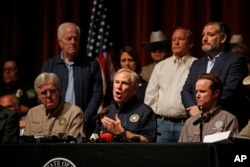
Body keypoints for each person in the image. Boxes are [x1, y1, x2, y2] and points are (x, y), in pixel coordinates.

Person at [181, 21, 248, 130]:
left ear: (222, 39)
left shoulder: (235, 61)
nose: (204, 39)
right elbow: (186, 90)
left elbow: (231, 90)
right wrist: (193, 108)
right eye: (203, 35)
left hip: (222, 121)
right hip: (197, 121)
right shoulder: (197, 64)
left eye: (210, 35)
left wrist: (205, 107)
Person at [41, 22, 103, 138]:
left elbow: (97, 95)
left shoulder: (91, 64)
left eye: (76, 39)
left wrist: (83, 118)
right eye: (69, 39)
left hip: (84, 124)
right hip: (54, 123)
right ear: (60, 42)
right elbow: (41, 95)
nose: (73, 42)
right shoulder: (49, 66)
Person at [144, 27, 197, 142]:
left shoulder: (196, 64)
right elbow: (150, 97)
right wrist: (153, 121)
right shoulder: (161, 66)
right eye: (174, 40)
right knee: (160, 158)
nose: (176, 43)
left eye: (181, 39)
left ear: (190, 44)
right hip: (162, 124)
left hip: (186, 123)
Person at [92, 68, 156, 142]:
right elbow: (94, 136)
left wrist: (122, 133)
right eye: (116, 82)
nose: (119, 87)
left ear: (135, 89)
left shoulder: (145, 112)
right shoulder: (106, 111)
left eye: (124, 83)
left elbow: (148, 141)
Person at [179, 73, 238, 142]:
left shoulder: (228, 120)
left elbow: (231, 149)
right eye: (196, 91)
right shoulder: (190, 122)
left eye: (202, 91)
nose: (197, 95)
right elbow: (181, 150)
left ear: (216, 93)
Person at [23, 72, 84, 137]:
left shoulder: (74, 113)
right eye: (44, 93)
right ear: (38, 96)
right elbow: (26, 144)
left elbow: (74, 145)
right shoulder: (32, 113)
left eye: (52, 91)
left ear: (59, 91)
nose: (49, 95)